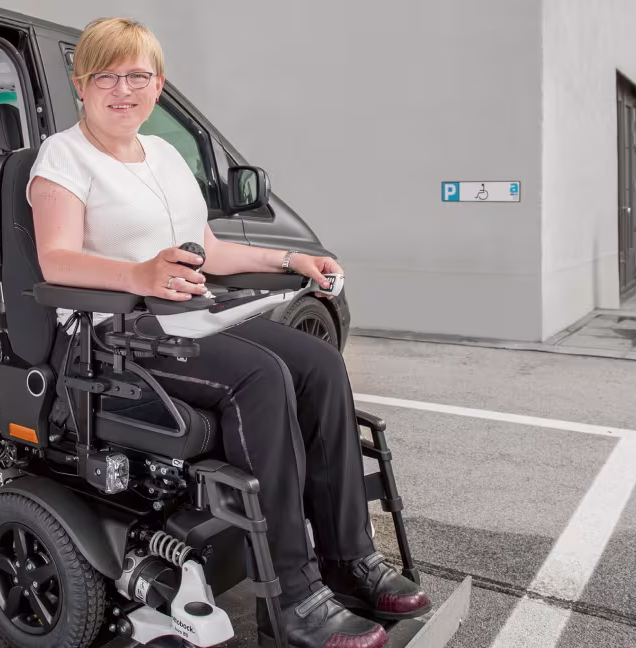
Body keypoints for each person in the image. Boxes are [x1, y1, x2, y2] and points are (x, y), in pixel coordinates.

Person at [26, 17, 430, 648]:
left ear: (158, 85)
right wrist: (141, 272)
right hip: (115, 333)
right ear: (81, 84)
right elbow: (56, 259)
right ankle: (295, 598)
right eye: (106, 75)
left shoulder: (163, 155)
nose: (122, 89)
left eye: (138, 75)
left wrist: (291, 261)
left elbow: (208, 248)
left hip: (189, 314)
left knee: (319, 365)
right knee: (260, 376)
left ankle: (348, 560)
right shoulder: (63, 155)